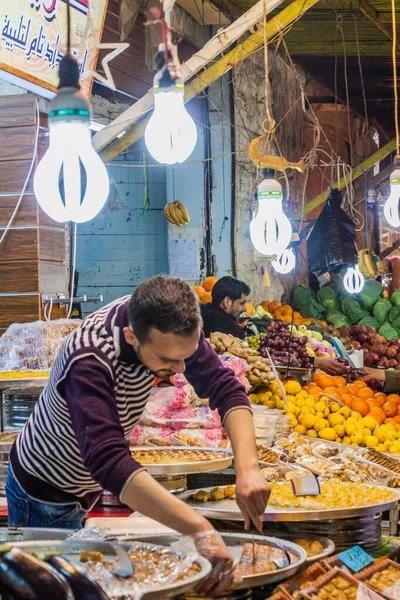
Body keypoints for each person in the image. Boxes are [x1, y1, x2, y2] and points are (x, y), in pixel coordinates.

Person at [7, 275, 270, 595]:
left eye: (184, 357)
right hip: (43, 489)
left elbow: (225, 388)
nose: (179, 370)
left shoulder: (171, 327)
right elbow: (108, 461)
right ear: (132, 337)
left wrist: (248, 468)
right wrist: (201, 529)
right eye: (167, 361)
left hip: (82, 486)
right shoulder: (90, 357)